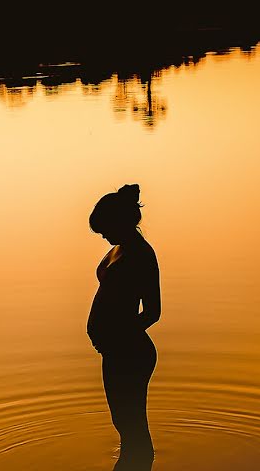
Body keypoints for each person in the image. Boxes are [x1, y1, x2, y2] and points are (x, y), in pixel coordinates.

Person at [87, 184, 161, 469]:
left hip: (130, 352)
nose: (103, 236)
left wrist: (118, 337)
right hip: (116, 350)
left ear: (120, 222)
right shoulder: (120, 248)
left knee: (132, 423)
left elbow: (153, 312)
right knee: (122, 421)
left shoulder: (142, 254)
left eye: (105, 229)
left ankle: (138, 463)